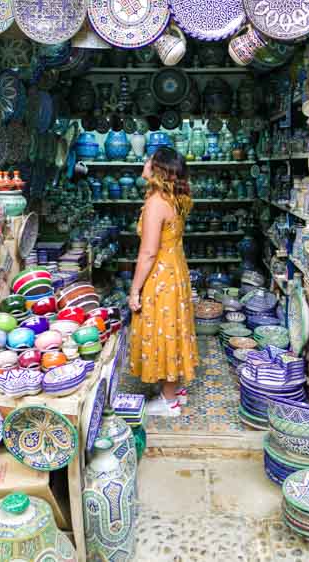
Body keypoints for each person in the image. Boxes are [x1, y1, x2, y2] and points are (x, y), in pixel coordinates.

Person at [128, 146, 198, 417]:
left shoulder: (157, 202)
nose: (144, 162)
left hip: (161, 275)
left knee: (163, 331)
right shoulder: (175, 198)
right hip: (175, 271)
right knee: (173, 330)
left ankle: (169, 402)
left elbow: (147, 252)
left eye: (149, 159)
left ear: (157, 169)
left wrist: (135, 290)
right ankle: (174, 390)